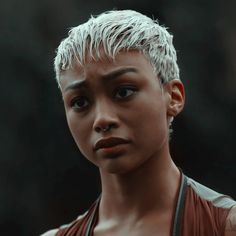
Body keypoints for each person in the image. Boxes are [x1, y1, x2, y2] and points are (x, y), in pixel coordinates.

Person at [42, 9, 236, 236]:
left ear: (173, 97)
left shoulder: (224, 226)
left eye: (123, 92)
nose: (102, 118)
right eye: (80, 102)